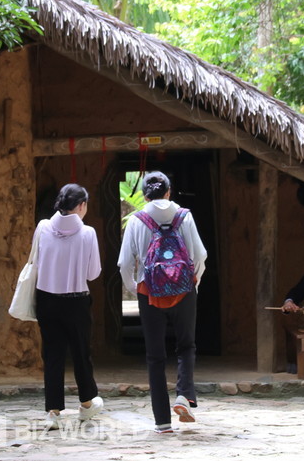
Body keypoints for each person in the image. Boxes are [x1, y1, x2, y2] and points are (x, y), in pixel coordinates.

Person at [117, 171, 207, 434]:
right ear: (169, 192)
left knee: (155, 356)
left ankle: (162, 422)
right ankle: (183, 396)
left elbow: (124, 262)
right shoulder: (184, 216)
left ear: (145, 196)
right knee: (186, 345)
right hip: (184, 291)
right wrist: (195, 281)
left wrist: (134, 288)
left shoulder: (136, 220)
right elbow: (200, 254)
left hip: (150, 293)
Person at [33, 183, 104, 429]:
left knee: (52, 355)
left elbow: (36, 262)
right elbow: (93, 273)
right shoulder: (88, 233)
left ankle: (53, 412)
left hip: (46, 299)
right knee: (81, 353)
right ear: (82, 206)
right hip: (76, 301)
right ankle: (86, 404)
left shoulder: (43, 227)